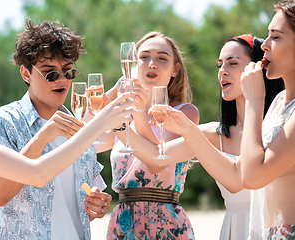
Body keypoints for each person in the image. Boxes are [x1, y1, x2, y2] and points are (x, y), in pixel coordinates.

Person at [0, 33, 135, 240]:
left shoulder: (78, 126)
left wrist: (97, 207)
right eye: (51, 74)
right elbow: (2, 192)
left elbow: (78, 204)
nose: (62, 80)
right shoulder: (0, 122)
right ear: (26, 74)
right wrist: (95, 125)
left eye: (69, 72)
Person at [113, 33, 284, 240]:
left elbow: (240, 181)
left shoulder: (281, 126)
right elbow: (155, 158)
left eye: (232, 63)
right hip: (233, 229)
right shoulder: (212, 133)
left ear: (258, 69)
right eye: (220, 64)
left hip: (275, 229)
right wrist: (115, 122)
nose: (222, 71)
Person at [105, 32, 200, 239]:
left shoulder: (184, 113)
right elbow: (86, 126)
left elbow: (157, 163)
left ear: (175, 69)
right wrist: (119, 86)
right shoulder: (123, 116)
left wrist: (138, 113)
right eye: (144, 57)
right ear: (132, 65)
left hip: (165, 223)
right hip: (123, 224)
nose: (152, 63)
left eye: (162, 58)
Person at [240, 0, 295, 238]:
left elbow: (253, 176)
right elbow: (244, 168)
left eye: (276, 36)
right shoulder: (280, 101)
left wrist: (253, 101)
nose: (264, 45)